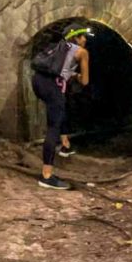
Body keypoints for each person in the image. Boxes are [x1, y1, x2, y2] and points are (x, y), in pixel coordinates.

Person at [32, 24, 90, 190]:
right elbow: (85, 81)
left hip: (38, 81)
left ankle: (65, 144)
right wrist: (78, 76)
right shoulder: (82, 52)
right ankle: (46, 176)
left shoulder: (58, 48)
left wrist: (70, 74)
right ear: (76, 38)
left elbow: (60, 68)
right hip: (52, 85)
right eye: (82, 36)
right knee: (53, 127)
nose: (85, 39)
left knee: (59, 109)